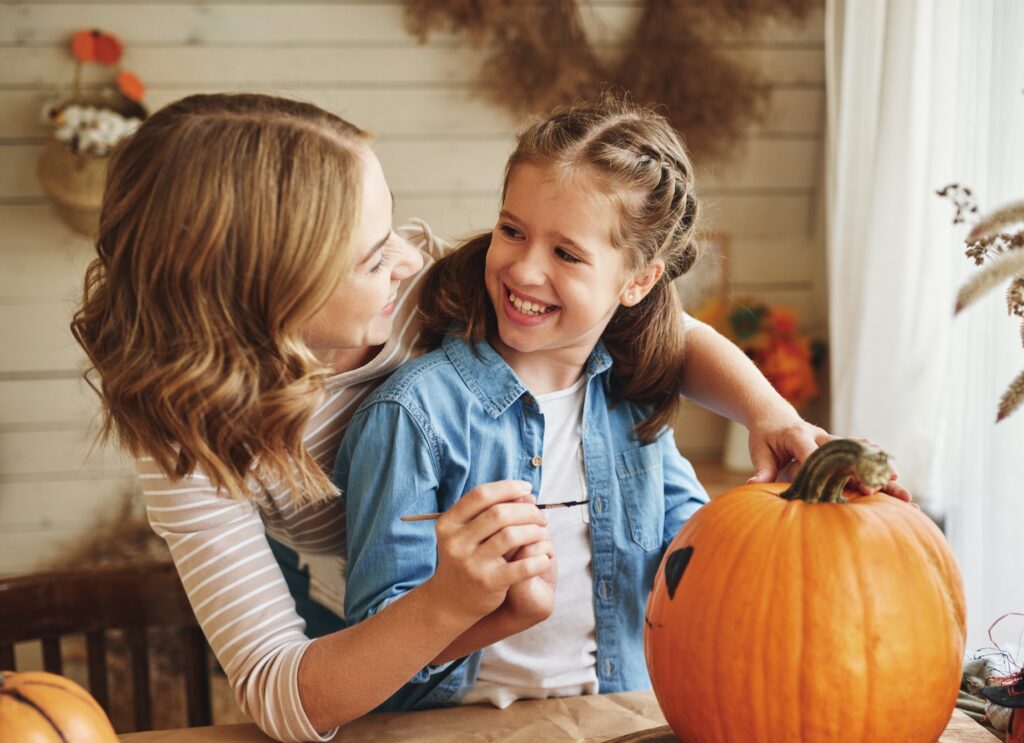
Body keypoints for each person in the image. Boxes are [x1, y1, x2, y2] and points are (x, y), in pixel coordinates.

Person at [71, 93, 903, 743]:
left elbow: (645, 323)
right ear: (270, 292)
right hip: (365, 613)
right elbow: (282, 693)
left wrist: (769, 410)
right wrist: (451, 607)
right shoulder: (188, 445)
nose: (408, 252)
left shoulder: (425, 290)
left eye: (391, 224)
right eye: (369, 254)